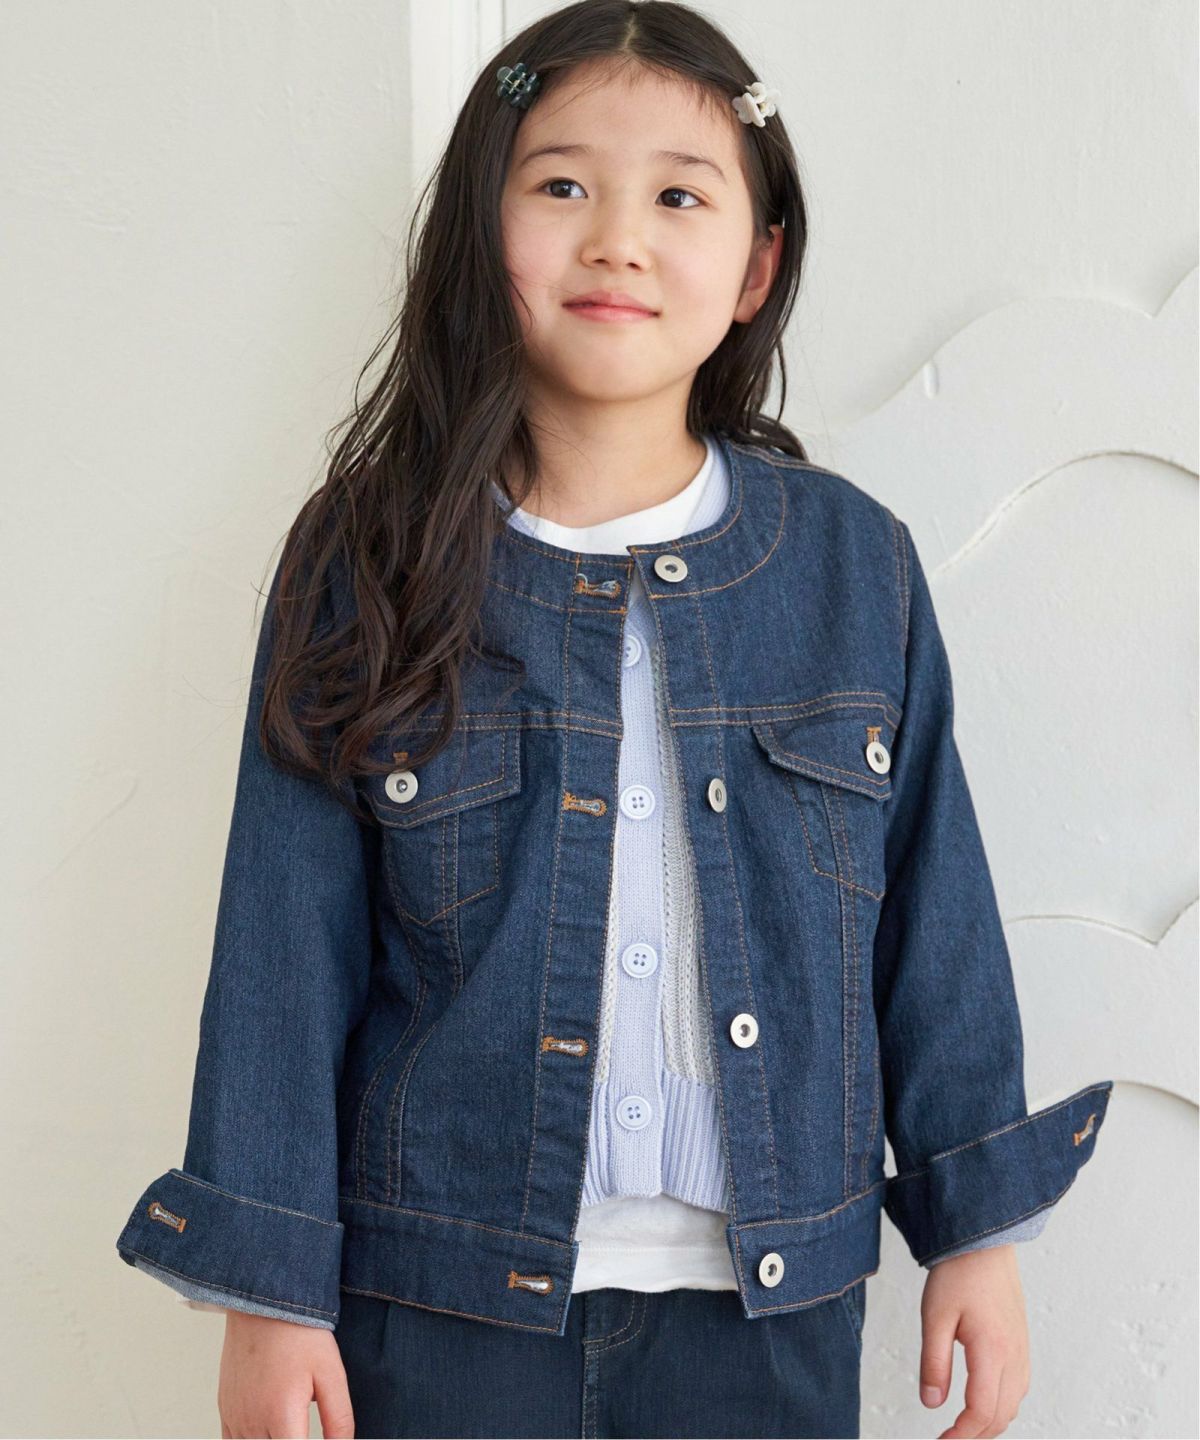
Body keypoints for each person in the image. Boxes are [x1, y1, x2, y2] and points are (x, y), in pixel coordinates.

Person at [113, 3, 1112, 1437]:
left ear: (757, 266)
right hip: (435, 1306)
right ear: (482, 232)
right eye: (563, 184)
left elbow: (932, 920)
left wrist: (975, 1235)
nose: (619, 241)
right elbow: (282, 950)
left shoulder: (851, 567)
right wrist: (268, 1299)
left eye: (680, 197)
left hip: (765, 1312)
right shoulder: (367, 555)